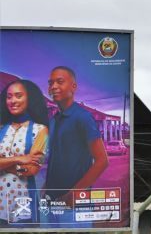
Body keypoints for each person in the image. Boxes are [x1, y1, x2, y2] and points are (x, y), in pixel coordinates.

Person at [44, 66, 108, 207]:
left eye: (60, 82)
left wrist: (74, 193)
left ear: (73, 87)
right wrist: (45, 187)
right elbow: (56, 159)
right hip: (52, 202)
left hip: (75, 205)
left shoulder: (83, 117)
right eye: (50, 83)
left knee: (79, 231)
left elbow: (102, 160)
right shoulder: (53, 120)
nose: (53, 87)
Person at [0, 79, 49, 224]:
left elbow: (31, 169)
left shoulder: (41, 131)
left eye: (18, 96)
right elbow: (24, 165)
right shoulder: (1, 128)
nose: (12, 101)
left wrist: (3, 162)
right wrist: (18, 159)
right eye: (9, 97)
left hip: (23, 206)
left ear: (30, 99)